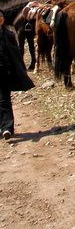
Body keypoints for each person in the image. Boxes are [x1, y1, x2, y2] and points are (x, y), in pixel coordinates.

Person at [0, 9, 35, 140]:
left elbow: (16, 55)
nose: (0, 18)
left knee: (4, 99)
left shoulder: (9, 35)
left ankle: (7, 128)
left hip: (4, 71)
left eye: (1, 16)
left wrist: (21, 70)